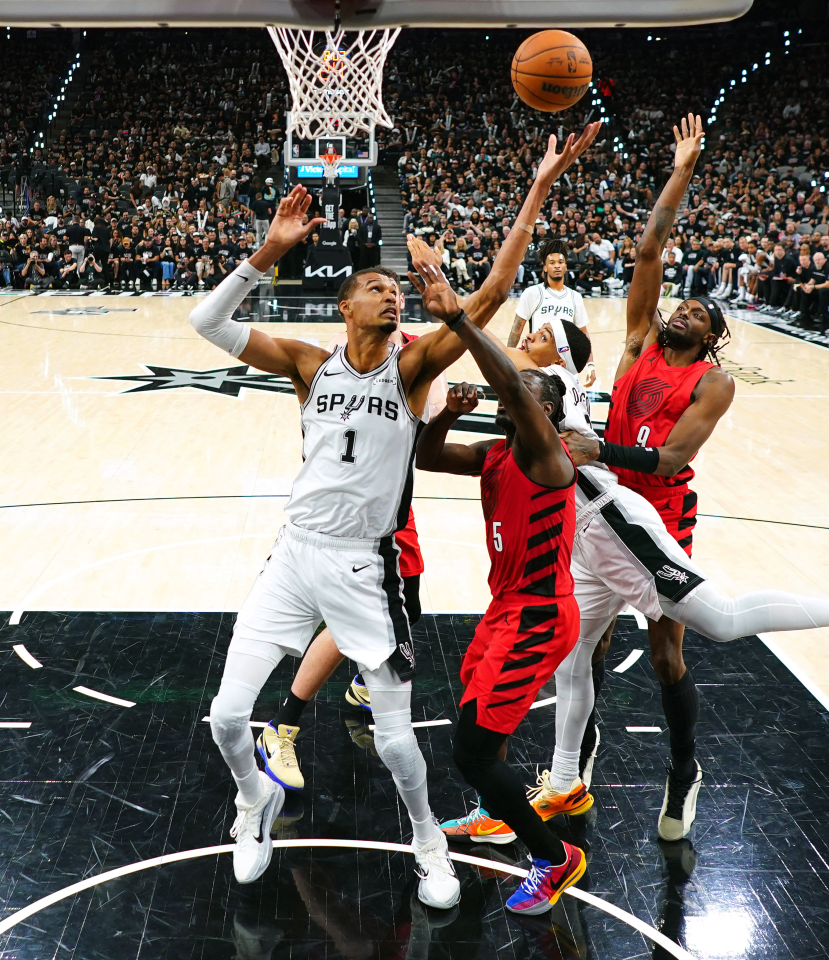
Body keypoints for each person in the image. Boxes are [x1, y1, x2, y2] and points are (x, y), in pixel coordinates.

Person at [469, 114, 829, 848]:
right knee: (573, 653)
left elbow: (674, 460)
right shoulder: (633, 348)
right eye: (679, 304)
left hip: (647, 516)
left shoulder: (712, 380)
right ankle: (563, 780)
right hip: (594, 521)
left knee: (680, 645)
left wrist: (595, 450)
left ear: (711, 336)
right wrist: (682, 169)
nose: (684, 308)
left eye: (699, 311)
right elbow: (650, 247)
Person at [191, 123, 599, 905]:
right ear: (345, 304)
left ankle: (427, 845)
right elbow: (206, 326)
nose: (392, 291)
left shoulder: (413, 367)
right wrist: (265, 254)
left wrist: (539, 188)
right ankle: (254, 804)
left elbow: (491, 296)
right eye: (377, 286)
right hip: (293, 552)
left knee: (396, 740)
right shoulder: (307, 362)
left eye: (396, 287)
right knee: (224, 716)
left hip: (365, 564)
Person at [406, 246, 586, 915]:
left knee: (473, 748)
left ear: (544, 409)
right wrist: (446, 413)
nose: (514, 385)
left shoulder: (548, 456)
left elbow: (513, 385)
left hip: (540, 614)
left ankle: (552, 855)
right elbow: (428, 457)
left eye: (527, 386)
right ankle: (496, 814)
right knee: (482, 729)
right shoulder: (496, 452)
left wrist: (459, 321)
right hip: (508, 608)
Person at [255, 320, 447, 793]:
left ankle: (363, 680)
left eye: (395, 293)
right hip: (354, 523)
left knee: (408, 606)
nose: (392, 301)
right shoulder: (347, 364)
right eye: (379, 289)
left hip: (385, 511)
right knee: (349, 624)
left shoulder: (410, 354)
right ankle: (283, 725)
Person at [508, 238, 596, 385]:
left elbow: (584, 334)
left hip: (565, 367)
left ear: (566, 266)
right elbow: (517, 328)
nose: (557, 266)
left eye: (560, 262)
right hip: (537, 365)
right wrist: (508, 358)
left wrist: (591, 365)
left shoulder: (575, 297)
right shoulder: (533, 293)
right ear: (545, 267)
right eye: (552, 263)